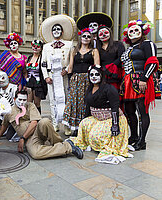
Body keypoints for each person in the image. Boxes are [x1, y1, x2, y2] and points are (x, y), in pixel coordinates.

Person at [0, 90, 83, 160]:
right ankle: (67, 147)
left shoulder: (30, 106)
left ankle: (58, 144)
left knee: (45, 121)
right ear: (14, 99)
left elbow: (34, 123)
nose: (22, 102)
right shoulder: (9, 111)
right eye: (19, 99)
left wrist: (22, 138)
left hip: (37, 131)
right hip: (30, 139)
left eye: (24, 100)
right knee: (35, 154)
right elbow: (4, 125)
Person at [70, 65, 131, 164]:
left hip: (111, 119)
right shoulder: (90, 89)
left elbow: (115, 108)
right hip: (97, 119)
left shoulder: (109, 89)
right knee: (83, 124)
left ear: (101, 75)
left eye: (97, 74)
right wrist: (84, 123)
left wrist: (115, 125)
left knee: (96, 136)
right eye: (91, 75)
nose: (94, 77)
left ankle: (102, 145)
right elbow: (88, 107)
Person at [120, 20, 160, 151]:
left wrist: (144, 78)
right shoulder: (129, 48)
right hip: (127, 82)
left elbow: (153, 62)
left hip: (140, 80)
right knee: (129, 111)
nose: (133, 33)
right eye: (130, 31)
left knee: (142, 111)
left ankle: (142, 141)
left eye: (136, 30)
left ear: (143, 31)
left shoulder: (147, 44)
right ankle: (134, 137)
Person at [40, 14, 75, 132]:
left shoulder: (69, 44)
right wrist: (46, 77)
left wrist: (67, 70)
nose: (56, 31)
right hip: (51, 76)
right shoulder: (46, 46)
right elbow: (43, 63)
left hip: (63, 76)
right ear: (51, 32)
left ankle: (66, 125)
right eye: (54, 29)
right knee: (53, 101)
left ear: (62, 31)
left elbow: (71, 60)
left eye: (58, 29)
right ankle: (55, 124)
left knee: (65, 100)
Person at [62, 28, 100, 136]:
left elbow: (97, 66)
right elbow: (70, 66)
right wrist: (70, 80)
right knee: (74, 102)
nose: (86, 38)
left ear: (91, 39)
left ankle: (83, 128)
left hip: (88, 79)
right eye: (84, 36)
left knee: (85, 102)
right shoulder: (74, 50)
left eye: (88, 36)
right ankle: (73, 126)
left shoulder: (94, 51)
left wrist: (95, 82)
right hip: (75, 78)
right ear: (80, 38)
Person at [96, 26, 125, 90]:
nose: (103, 35)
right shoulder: (97, 48)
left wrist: (110, 66)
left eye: (105, 32)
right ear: (98, 37)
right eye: (101, 34)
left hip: (115, 74)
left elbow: (121, 57)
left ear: (110, 33)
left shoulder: (118, 44)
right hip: (103, 75)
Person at [0, 71, 17, 140]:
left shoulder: (14, 88)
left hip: (12, 114)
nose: (1, 81)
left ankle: (9, 129)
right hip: (1, 114)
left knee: (9, 137)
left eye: (3, 78)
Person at [26, 40, 47, 114]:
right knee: (28, 103)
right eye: (33, 46)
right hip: (29, 83)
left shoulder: (42, 58)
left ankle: (37, 121)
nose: (35, 48)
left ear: (41, 48)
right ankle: (29, 119)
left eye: (37, 46)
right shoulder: (29, 58)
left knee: (36, 104)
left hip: (38, 84)